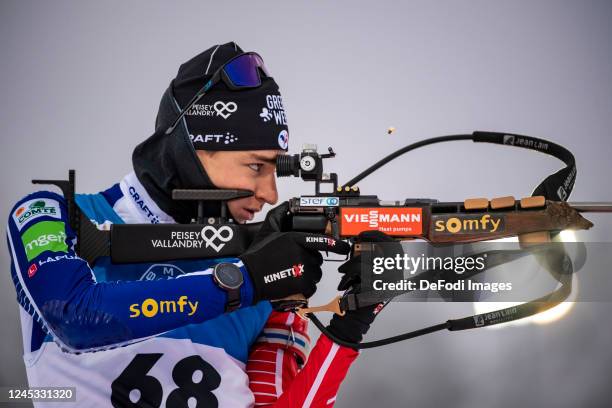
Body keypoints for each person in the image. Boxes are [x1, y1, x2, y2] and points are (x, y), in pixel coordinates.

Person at [6, 42, 382, 407]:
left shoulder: (263, 279)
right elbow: (71, 317)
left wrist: (347, 330)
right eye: (256, 166)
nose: (270, 193)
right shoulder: (49, 212)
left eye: (276, 168)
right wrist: (244, 281)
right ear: (190, 150)